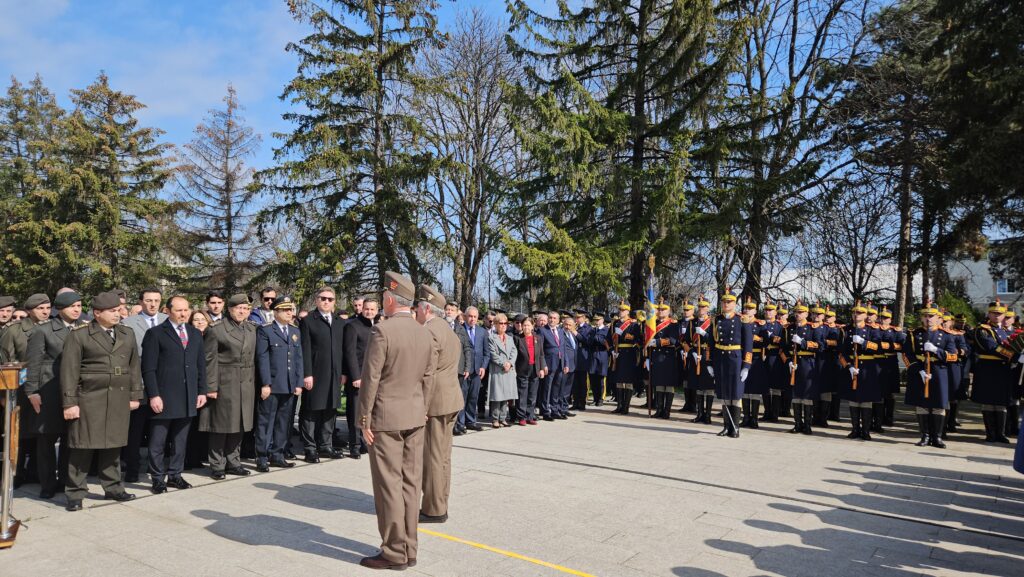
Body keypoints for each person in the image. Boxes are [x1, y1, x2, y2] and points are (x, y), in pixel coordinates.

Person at [356, 271, 435, 571]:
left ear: (389, 299)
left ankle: (393, 551)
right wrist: (423, 407)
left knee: (389, 485)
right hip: (415, 416)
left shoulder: (382, 331)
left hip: (386, 418)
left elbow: (371, 378)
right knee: (410, 485)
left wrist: (364, 419)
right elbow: (428, 377)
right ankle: (409, 549)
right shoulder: (424, 331)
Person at [60, 291, 143, 511]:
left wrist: (135, 394)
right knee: (82, 446)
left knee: (113, 445)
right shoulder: (80, 335)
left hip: (118, 397)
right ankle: (75, 493)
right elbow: (69, 371)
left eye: (119, 310)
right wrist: (70, 403)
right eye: (112, 311)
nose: (118, 314)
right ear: (97, 313)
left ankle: (113, 488)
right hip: (89, 398)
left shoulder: (126, 333)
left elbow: (134, 366)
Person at [141, 295, 207, 494]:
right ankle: (157, 478)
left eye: (186, 310)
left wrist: (201, 391)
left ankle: (175, 474)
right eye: (179, 310)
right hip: (164, 396)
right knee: (158, 441)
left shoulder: (194, 333)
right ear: (168, 311)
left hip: (188, 396)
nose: (183, 314)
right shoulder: (155, 333)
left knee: (180, 440)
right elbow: (148, 368)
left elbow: (200, 366)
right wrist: (154, 395)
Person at [24, 291, 86, 499]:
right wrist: (32, 391)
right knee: (47, 440)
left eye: (79, 306)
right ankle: (47, 484)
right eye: (72, 306)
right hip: (49, 389)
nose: (77, 310)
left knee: (71, 439)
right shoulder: (43, 330)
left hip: (76, 390)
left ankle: (66, 480)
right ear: (60, 309)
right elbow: (33, 363)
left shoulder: (84, 328)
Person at [415, 284, 463, 523]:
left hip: (436, 402)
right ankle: (440, 501)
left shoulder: (430, 331)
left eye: (418, 308)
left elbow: (427, 373)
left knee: (433, 456)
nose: (416, 312)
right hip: (450, 399)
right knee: (443, 456)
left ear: (427, 309)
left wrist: (422, 406)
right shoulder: (448, 330)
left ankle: (434, 509)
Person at [200, 294, 257, 479]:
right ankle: (217, 465)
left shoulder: (251, 328)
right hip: (225, 381)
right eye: (238, 308)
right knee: (221, 425)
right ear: (230, 309)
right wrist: (211, 387)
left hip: (246, 381)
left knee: (240, 423)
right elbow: (209, 361)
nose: (242, 312)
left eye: (246, 309)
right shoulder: (216, 330)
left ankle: (234, 462)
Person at [2, 293, 50, 487]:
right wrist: (4, 395)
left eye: (48, 308)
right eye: (40, 308)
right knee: (19, 434)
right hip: (21, 389)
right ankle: (16, 473)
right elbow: (6, 363)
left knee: (42, 433)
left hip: (46, 387)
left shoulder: (52, 328)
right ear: (29, 310)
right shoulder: (15, 330)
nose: (45, 312)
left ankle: (36, 472)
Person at [120, 287, 167, 482]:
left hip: (162, 384)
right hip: (138, 383)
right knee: (135, 431)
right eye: (148, 300)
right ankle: (132, 468)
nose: (153, 304)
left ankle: (157, 467)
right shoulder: (128, 323)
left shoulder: (167, 320)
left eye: (156, 300)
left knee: (159, 430)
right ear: (141, 302)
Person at [255, 296, 303, 471]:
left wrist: (298, 382)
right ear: (276, 312)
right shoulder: (266, 330)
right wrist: (265, 383)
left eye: (291, 310)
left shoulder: (295, 331)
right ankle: (262, 456)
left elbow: (298, 359)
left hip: (289, 385)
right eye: (285, 310)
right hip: (273, 385)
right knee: (266, 422)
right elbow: (262, 358)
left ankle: (278, 454)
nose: (290, 313)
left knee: (284, 422)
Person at [298, 287, 345, 463]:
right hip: (315, 373)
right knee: (311, 410)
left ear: (334, 302)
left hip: (335, 373)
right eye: (323, 298)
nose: (326, 302)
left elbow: (343, 350)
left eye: (330, 299)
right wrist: (307, 374)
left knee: (330, 410)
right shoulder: (309, 320)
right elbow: (305, 349)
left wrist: (344, 372)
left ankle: (325, 445)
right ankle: (310, 448)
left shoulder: (339, 322)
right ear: (317, 300)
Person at [904, 303, 958, 448]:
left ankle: (937, 436)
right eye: (925, 316)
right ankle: (925, 436)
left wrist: (936, 350)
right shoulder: (914, 334)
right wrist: (918, 370)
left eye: (931, 316)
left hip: (939, 371)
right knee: (922, 404)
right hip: (920, 371)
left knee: (938, 405)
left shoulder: (946, 335)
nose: (928, 318)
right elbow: (907, 355)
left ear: (938, 318)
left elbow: (953, 356)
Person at [706, 291, 751, 436]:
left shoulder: (742, 320)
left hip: (736, 360)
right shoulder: (716, 320)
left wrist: (746, 366)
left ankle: (735, 427)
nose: (726, 304)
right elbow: (710, 344)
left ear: (735, 304)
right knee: (724, 393)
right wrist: (709, 363)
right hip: (720, 359)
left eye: (729, 302)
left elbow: (748, 345)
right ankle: (726, 426)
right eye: (724, 302)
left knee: (735, 394)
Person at [970, 300, 1015, 443]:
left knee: (1001, 402)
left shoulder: (1005, 331)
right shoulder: (982, 330)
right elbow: (992, 347)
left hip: (1003, 370)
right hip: (987, 369)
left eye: (1000, 314)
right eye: (994, 313)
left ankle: (1000, 434)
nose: (997, 316)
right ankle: (990, 434)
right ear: (988, 314)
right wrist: (1014, 356)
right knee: (988, 402)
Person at [838, 301, 880, 440]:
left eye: (860, 313)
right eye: (854, 312)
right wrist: (848, 366)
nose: (857, 315)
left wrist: (864, 342)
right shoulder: (846, 331)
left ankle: (866, 431)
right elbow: (841, 353)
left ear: (866, 315)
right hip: (852, 367)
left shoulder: (872, 330)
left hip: (867, 368)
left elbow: (878, 347)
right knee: (854, 399)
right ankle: (855, 429)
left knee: (866, 399)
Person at [343, 298, 378, 457]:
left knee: (369, 411)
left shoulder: (378, 326)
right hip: (358, 376)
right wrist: (355, 376)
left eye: (372, 309)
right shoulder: (353, 326)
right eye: (366, 309)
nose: (369, 312)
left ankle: (365, 442)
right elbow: (350, 353)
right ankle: (355, 444)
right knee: (355, 411)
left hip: (373, 376)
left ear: (377, 310)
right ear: (362, 309)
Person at [783, 302, 824, 435]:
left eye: (801, 312)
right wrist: (788, 361)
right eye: (796, 312)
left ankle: (807, 425)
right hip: (793, 364)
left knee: (807, 395)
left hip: (807, 363)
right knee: (795, 395)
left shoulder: (813, 328)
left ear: (807, 313)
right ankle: (797, 424)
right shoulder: (789, 328)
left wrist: (803, 342)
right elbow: (783, 349)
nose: (798, 314)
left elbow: (820, 346)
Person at [684, 297, 716, 424]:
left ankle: (708, 415)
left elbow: (715, 341)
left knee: (708, 386)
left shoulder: (712, 322)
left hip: (707, 355)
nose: (701, 309)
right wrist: (691, 352)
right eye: (700, 306)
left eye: (703, 307)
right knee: (698, 386)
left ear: (708, 308)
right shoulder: (693, 323)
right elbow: (685, 341)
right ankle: (700, 414)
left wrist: (704, 334)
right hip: (695, 355)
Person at [444, 302, 473, 435]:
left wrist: (467, 367)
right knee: (445, 398)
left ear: (457, 313)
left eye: (452, 310)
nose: (449, 312)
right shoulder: (440, 325)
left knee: (456, 398)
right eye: (447, 309)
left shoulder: (460, 328)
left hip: (458, 369)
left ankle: (455, 424)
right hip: (444, 369)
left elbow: (467, 348)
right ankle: (446, 425)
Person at [648, 300, 680, 419]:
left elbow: (673, 340)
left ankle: (667, 411)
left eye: (664, 309)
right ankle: (659, 410)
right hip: (656, 356)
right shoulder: (653, 323)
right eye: (659, 309)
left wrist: (657, 342)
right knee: (659, 384)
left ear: (669, 311)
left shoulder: (673, 324)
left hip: (668, 357)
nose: (661, 311)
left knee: (668, 385)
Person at [460, 306, 489, 432]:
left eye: (475, 317)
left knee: (473, 397)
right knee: (462, 397)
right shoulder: (459, 329)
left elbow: (487, 353)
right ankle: (460, 423)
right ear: (465, 316)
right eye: (470, 316)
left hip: (477, 371)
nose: (472, 319)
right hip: (464, 370)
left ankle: (471, 421)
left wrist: (483, 367)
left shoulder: (482, 332)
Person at [514, 316, 547, 425]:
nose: (526, 327)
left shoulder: (538, 338)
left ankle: (530, 415)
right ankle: (521, 416)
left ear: (533, 326)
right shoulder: (517, 338)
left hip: (535, 369)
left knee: (532, 394)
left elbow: (541, 355)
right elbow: (515, 355)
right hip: (522, 369)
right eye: (524, 325)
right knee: (522, 394)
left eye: (528, 325)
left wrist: (542, 368)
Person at [487, 313, 518, 427]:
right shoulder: (491, 338)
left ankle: (503, 418)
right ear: (495, 324)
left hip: (508, 370)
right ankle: (495, 419)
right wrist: (503, 363)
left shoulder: (510, 338)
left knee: (506, 395)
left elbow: (514, 351)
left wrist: (510, 363)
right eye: (501, 323)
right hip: (498, 369)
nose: (504, 325)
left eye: (506, 323)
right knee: (497, 395)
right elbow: (493, 354)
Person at [587, 311, 611, 415]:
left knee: (601, 378)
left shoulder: (607, 330)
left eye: (598, 320)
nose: (596, 322)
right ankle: (595, 398)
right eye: (595, 320)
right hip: (593, 354)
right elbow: (588, 342)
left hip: (602, 354)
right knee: (593, 377)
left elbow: (606, 342)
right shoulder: (592, 330)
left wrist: (597, 338)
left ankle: (600, 399)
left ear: (602, 320)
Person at [559, 314, 578, 416]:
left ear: (573, 326)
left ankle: (565, 408)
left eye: (570, 325)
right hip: (564, 365)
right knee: (562, 388)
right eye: (566, 324)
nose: (567, 327)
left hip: (573, 365)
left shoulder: (572, 335)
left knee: (567, 389)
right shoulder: (560, 334)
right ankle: (560, 408)